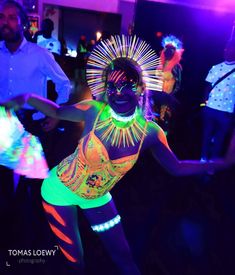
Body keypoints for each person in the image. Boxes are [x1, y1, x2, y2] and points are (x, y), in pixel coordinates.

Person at [1, 35, 235, 274]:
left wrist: (218, 163)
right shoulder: (93, 111)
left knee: (125, 259)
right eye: (112, 86)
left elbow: (175, 166)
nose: (118, 93)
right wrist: (26, 98)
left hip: (98, 197)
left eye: (127, 85)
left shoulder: (150, 133)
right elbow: (58, 111)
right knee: (76, 262)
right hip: (58, 190)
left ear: (142, 87)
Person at [0, 0, 71, 249]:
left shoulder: (39, 55)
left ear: (22, 22)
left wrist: (56, 114)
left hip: (29, 125)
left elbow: (65, 85)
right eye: (1, 17)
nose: (4, 22)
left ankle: (32, 242)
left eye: (10, 17)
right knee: (4, 183)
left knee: (30, 187)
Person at [201, 39, 235, 161]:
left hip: (226, 112)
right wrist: (204, 104)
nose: (227, 51)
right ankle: (203, 159)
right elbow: (207, 87)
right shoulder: (216, 68)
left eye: (231, 49)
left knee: (219, 138)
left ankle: (213, 162)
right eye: (226, 49)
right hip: (210, 108)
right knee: (207, 135)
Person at [149, 35, 184, 133]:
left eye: (171, 49)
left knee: (164, 118)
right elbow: (154, 78)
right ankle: (153, 135)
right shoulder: (160, 64)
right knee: (154, 115)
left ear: (175, 52)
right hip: (157, 93)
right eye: (167, 49)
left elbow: (178, 83)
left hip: (167, 95)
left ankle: (163, 137)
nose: (168, 51)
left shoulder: (176, 67)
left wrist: (171, 95)